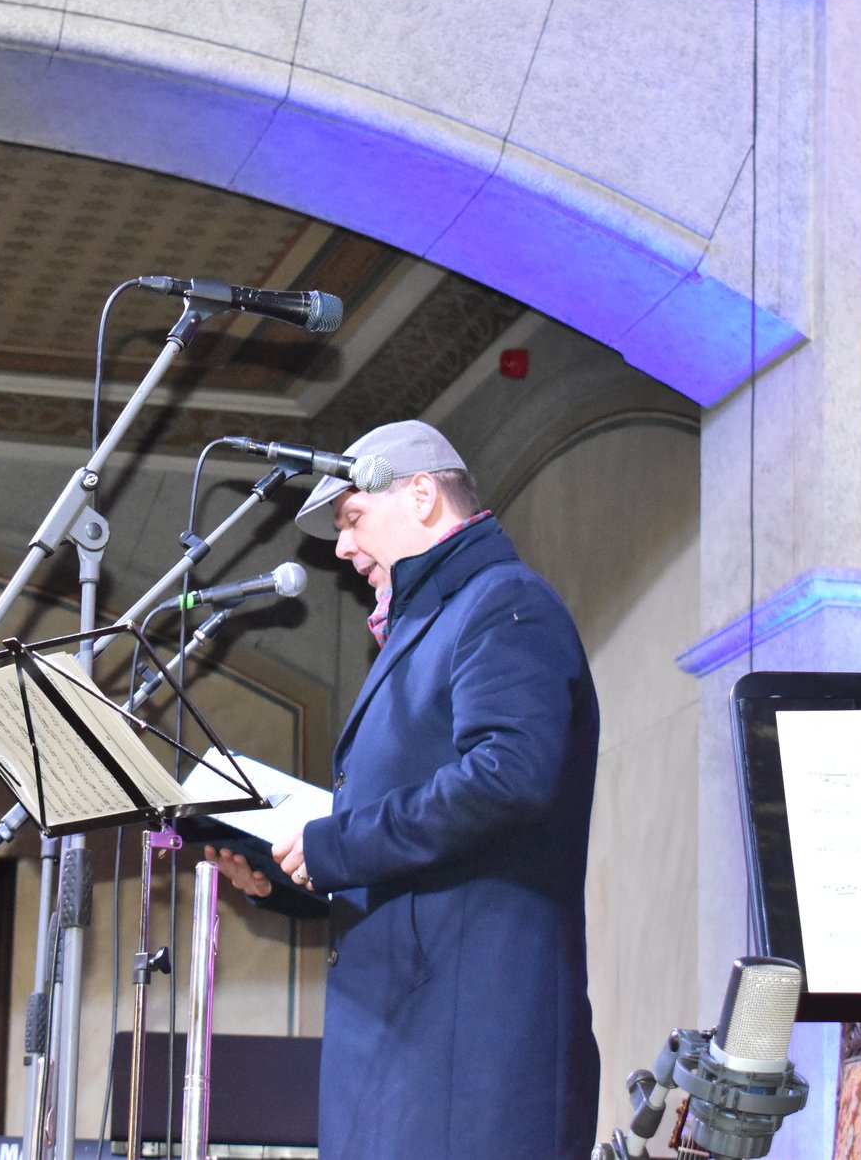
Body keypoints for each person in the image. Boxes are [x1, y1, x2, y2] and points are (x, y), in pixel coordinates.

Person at [211, 419, 601, 1159]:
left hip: (472, 1052)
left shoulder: (504, 604)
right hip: (411, 1038)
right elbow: (415, 852)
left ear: (422, 494)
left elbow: (510, 776)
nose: (343, 548)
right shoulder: (439, 620)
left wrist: (336, 843)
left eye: (352, 519)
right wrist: (287, 872)